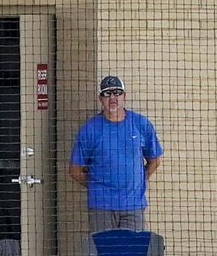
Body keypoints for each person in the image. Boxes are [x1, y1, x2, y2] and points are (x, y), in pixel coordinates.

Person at [68, 75, 164, 233]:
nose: (112, 97)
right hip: (102, 207)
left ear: (124, 96)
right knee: (105, 255)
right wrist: (97, 186)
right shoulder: (90, 129)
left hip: (133, 206)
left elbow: (154, 161)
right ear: (100, 98)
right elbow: (74, 170)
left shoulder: (141, 124)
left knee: (131, 255)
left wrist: (139, 180)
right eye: (107, 93)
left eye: (117, 92)